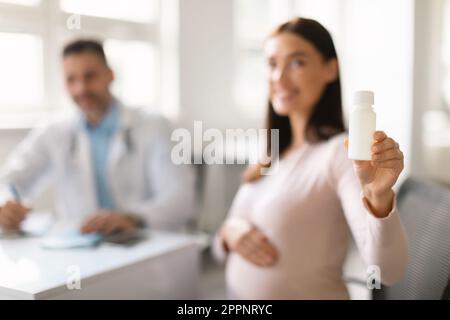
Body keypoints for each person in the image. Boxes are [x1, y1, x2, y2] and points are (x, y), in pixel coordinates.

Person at [214, 17, 408, 299]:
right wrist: (229, 232)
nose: (279, 77)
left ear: (330, 69)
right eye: (272, 64)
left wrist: (379, 197)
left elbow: (387, 271)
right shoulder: (273, 153)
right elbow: (221, 250)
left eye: (297, 62)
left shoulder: (339, 154)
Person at [0, 39, 195, 235]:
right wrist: (5, 203)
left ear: (110, 75)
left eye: (90, 76)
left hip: (146, 243)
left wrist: (132, 217)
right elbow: (9, 179)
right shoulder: (54, 131)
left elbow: (180, 198)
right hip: (80, 248)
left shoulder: (154, 124)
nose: (81, 88)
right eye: (71, 79)